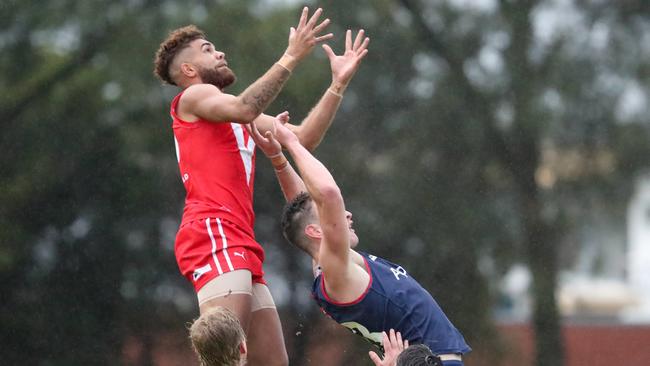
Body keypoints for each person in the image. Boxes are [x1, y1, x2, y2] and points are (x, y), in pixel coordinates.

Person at [153, 7, 369, 366]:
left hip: (239, 237)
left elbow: (303, 139)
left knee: (270, 362)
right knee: (224, 356)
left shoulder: (235, 115)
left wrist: (337, 84)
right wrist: (292, 55)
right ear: (188, 70)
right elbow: (244, 107)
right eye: (207, 49)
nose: (219, 53)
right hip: (214, 231)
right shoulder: (192, 99)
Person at [247, 120, 471, 366]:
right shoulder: (336, 269)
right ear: (316, 231)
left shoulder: (327, 265)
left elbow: (303, 207)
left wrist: (278, 158)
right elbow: (329, 195)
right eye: (334, 215)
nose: (346, 214)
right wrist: (291, 141)